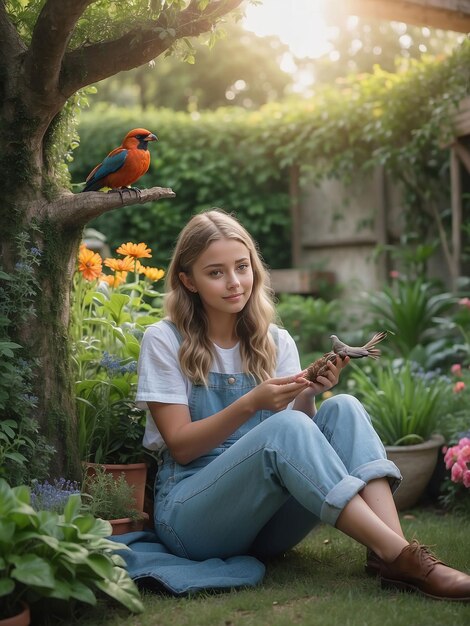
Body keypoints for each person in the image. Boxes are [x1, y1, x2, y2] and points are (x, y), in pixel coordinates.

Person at [135, 208, 470, 601]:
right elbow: (181, 445)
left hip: (266, 525)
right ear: (187, 280)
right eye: (216, 272)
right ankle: (406, 559)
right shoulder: (164, 340)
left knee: (343, 406)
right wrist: (249, 403)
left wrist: (309, 394)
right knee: (284, 429)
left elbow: (298, 445)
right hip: (193, 519)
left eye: (242, 267)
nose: (234, 283)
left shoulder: (275, 340)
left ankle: (389, 551)